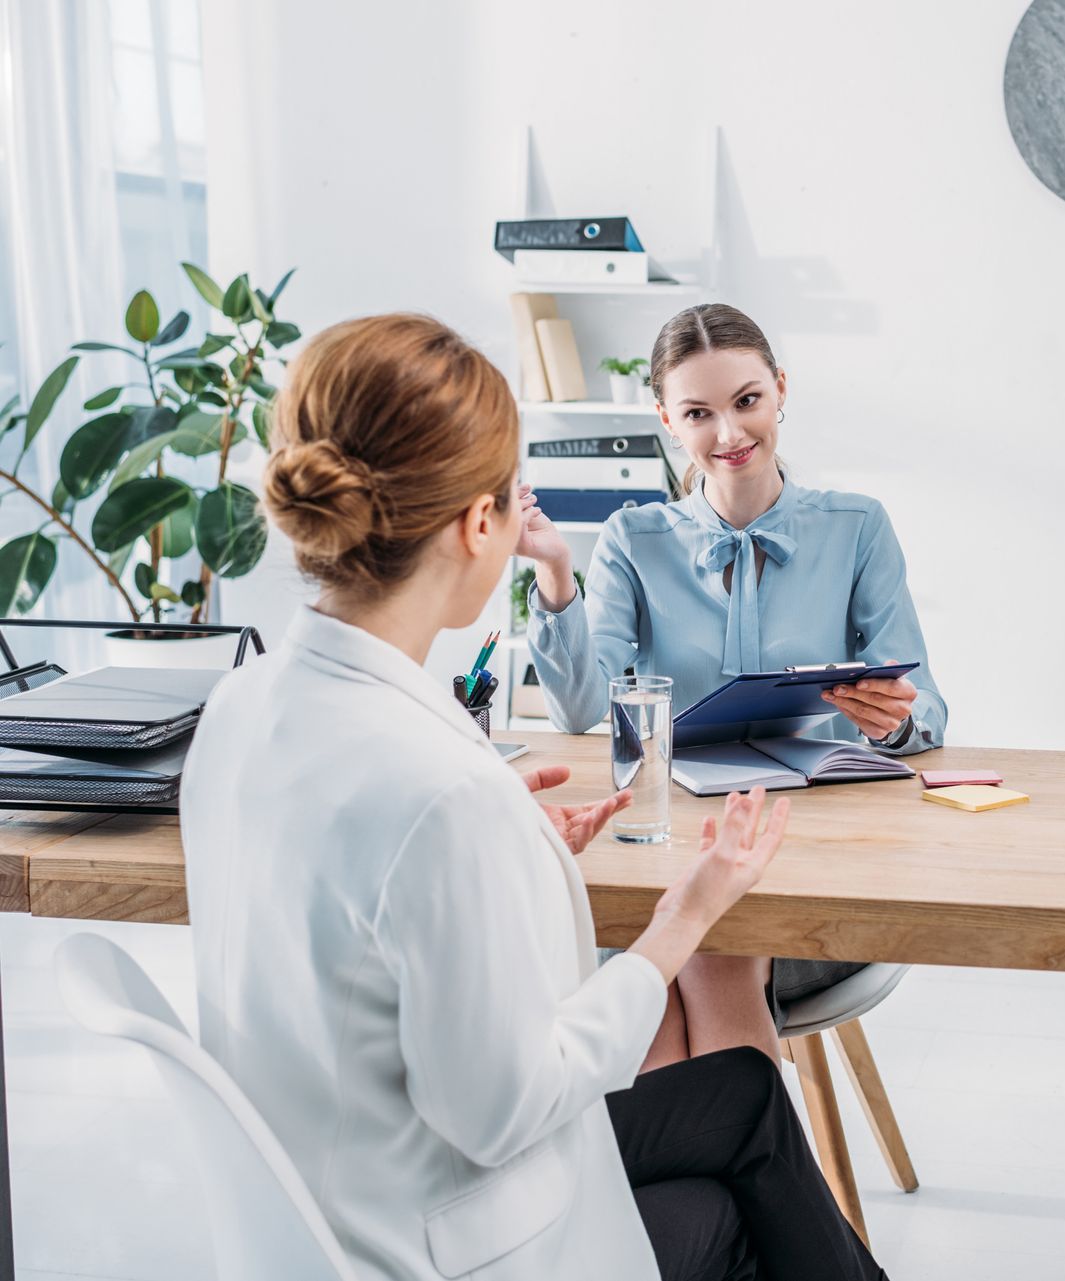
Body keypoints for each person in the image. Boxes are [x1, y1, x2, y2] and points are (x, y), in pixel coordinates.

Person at [182, 313, 887, 1281]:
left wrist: (518, 848)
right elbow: (503, 1108)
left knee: (744, 1102)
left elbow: (378, 902)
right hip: (439, 1232)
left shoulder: (239, 705)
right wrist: (681, 919)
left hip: (317, 1197)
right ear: (481, 525)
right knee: (734, 1204)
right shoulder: (442, 794)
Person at [519, 302, 946, 1064]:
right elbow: (584, 706)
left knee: (678, 952)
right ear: (666, 420)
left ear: (781, 388)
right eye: (697, 413)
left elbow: (929, 710)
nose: (728, 434)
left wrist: (894, 721)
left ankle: (695, 1179)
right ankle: (734, 1177)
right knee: (669, 950)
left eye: (747, 400)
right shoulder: (631, 540)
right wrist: (556, 572)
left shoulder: (857, 526)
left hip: (816, 869)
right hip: (677, 850)